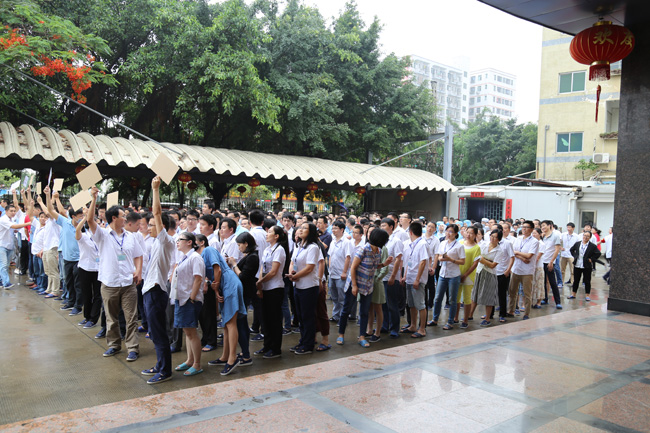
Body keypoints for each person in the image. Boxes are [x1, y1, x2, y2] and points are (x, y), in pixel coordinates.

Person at [87, 186, 144, 361]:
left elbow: (138, 255)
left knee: (131, 318)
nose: (125, 218)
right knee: (111, 318)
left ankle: (132, 348)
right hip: (109, 283)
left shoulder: (131, 237)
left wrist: (138, 271)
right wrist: (94, 199)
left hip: (128, 283)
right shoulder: (102, 235)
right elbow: (89, 220)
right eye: (123, 216)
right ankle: (114, 345)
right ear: (114, 218)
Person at [139, 177, 177, 384]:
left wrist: (155, 189)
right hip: (149, 291)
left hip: (156, 291)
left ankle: (165, 371)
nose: (149, 227)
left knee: (159, 333)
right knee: (154, 332)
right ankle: (160, 365)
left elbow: (156, 211)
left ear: (163, 226)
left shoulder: (166, 241)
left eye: (153, 225)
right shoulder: (155, 242)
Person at [337, 227, 389, 347]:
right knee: (346, 310)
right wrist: (354, 286)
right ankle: (341, 335)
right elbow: (353, 268)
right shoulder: (363, 249)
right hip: (354, 283)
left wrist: (384, 264)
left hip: (368, 285)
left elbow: (373, 266)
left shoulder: (378, 251)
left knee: (364, 312)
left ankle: (362, 337)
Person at [207, 242, 246, 375]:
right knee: (226, 323)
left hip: (229, 284)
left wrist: (216, 289)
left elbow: (217, 270)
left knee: (230, 323)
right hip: (226, 285)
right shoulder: (200, 256)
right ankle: (225, 356)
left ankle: (232, 358)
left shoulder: (208, 250)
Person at [171, 232, 206, 377]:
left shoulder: (195, 257)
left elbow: (198, 279)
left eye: (180, 240)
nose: (177, 242)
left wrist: (192, 297)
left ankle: (197, 364)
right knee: (187, 331)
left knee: (191, 332)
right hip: (182, 298)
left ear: (189, 242)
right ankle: (190, 360)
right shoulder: (184, 257)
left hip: (189, 300)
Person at [287, 222, 321, 355]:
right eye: (300, 228)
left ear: (311, 232)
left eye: (304, 228)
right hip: (298, 285)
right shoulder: (298, 245)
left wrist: (295, 276)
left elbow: (309, 268)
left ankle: (308, 344)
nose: (300, 230)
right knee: (300, 316)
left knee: (308, 316)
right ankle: (303, 341)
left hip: (309, 286)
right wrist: (292, 274)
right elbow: (292, 262)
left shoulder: (313, 247)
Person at [255, 226, 289, 358]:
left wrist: (260, 282)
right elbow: (262, 268)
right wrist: (260, 285)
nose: (266, 234)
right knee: (265, 319)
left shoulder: (279, 250)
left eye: (269, 232)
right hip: (265, 287)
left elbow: (274, 271)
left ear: (276, 236)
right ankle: (267, 345)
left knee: (274, 319)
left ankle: (275, 348)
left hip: (275, 288)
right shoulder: (267, 249)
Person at [227, 232, 258, 366]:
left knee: (241, 323)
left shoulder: (252, 257)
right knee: (241, 323)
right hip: (243, 292)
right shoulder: (249, 256)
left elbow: (243, 276)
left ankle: (246, 355)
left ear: (246, 244)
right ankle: (245, 352)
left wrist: (234, 264)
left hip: (245, 293)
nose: (239, 248)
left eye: (240, 245)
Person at [431, 224, 466, 330]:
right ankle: (435, 319)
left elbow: (462, 261)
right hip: (443, 273)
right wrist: (441, 258)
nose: (448, 234)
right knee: (438, 298)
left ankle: (450, 321)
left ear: (456, 234)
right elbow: (439, 256)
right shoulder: (442, 243)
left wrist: (451, 259)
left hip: (453, 275)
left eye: (451, 232)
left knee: (452, 299)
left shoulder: (459, 246)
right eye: (447, 231)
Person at [399, 222, 429, 338]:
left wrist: (417, 279)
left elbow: (423, 262)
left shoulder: (422, 244)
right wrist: (405, 276)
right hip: (410, 278)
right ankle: (413, 325)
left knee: (420, 304)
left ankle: (422, 329)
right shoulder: (412, 244)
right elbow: (410, 262)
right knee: (411, 304)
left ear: (410, 232)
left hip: (417, 280)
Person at [508, 220, 540, 321]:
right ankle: (511, 310)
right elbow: (512, 252)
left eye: (526, 227)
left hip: (527, 271)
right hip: (516, 268)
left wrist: (517, 253)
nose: (524, 229)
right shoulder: (518, 239)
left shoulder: (534, 241)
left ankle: (526, 313)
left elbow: (529, 255)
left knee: (527, 293)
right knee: (512, 291)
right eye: (523, 227)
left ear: (531, 229)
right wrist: (522, 257)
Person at [74, 213, 102, 329]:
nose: (99, 226)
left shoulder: (102, 237)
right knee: (86, 294)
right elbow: (77, 230)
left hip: (99, 269)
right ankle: (87, 317)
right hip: (85, 268)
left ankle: (93, 319)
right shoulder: (84, 236)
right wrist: (86, 217)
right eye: (96, 223)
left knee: (97, 295)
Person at [470, 229, 501, 326]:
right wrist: (485, 261)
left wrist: (482, 260)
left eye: (495, 237)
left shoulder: (500, 250)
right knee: (475, 294)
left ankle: (487, 318)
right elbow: (477, 255)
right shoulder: (484, 244)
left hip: (490, 273)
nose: (492, 238)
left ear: (499, 239)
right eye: (492, 236)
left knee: (489, 296)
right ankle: (470, 315)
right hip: (480, 271)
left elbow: (492, 265)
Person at [0, 201, 31, 289]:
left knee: (5, 265)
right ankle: (6, 283)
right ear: (6, 211)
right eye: (11, 211)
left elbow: (14, 229)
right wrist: (28, 223)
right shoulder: (3, 219)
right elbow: (14, 227)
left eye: (14, 211)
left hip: (9, 245)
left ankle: (1, 280)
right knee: (4, 265)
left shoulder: (11, 220)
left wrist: (20, 228)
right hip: (2, 245)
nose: (13, 213)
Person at [380, 218, 402, 339]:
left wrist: (393, 276)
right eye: (381, 226)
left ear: (391, 227)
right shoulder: (381, 240)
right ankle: (385, 326)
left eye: (384, 225)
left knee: (392, 304)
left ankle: (394, 328)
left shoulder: (396, 241)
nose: (382, 228)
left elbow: (398, 259)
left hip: (391, 276)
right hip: (381, 276)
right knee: (383, 304)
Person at [455, 226, 481, 328]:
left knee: (467, 298)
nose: (468, 235)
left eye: (471, 233)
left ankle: (465, 319)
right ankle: (455, 317)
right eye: (467, 232)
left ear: (475, 235)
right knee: (456, 297)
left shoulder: (476, 247)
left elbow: (475, 264)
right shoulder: (460, 243)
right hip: (457, 273)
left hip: (469, 275)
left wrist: (465, 275)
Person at [327, 220, 350, 323]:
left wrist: (344, 272)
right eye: (332, 228)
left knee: (342, 298)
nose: (333, 230)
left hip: (341, 274)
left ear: (342, 230)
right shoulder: (333, 242)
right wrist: (330, 269)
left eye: (336, 228)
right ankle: (336, 316)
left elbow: (348, 258)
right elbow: (330, 256)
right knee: (334, 297)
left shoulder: (346, 242)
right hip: (332, 273)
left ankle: (343, 318)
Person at [568, 231, 601, 301]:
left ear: (590, 237)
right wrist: (575, 256)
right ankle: (573, 294)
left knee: (587, 281)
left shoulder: (592, 246)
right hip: (577, 264)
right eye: (584, 235)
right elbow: (571, 250)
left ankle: (587, 295)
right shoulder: (578, 243)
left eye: (587, 236)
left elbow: (598, 253)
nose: (585, 237)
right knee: (576, 280)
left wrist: (592, 259)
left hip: (587, 266)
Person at [539, 220, 562, 309]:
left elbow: (557, 250)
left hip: (549, 262)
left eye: (544, 225)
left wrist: (552, 261)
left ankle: (558, 302)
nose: (543, 227)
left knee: (552, 282)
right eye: (542, 226)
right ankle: (545, 299)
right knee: (543, 282)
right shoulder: (543, 236)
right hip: (542, 261)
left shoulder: (555, 236)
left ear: (550, 226)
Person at [531, 228, 545, 309]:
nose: (533, 235)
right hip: (531, 267)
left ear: (540, 234)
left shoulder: (541, 244)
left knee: (539, 284)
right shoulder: (531, 243)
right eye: (532, 233)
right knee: (531, 285)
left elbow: (537, 257)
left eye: (535, 233)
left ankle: (538, 302)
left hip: (538, 267)